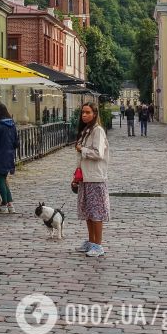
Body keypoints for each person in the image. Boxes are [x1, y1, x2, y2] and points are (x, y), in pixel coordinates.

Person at [73, 102, 110, 257]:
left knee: (96, 212)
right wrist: (75, 175)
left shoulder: (98, 131)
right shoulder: (86, 131)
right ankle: (91, 241)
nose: (84, 115)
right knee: (88, 211)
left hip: (95, 177)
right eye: (83, 112)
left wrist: (82, 149)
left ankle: (98, 244)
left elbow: (98, 153)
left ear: (95, 114)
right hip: (85, 176)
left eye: (88, 112)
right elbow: (80, 158)